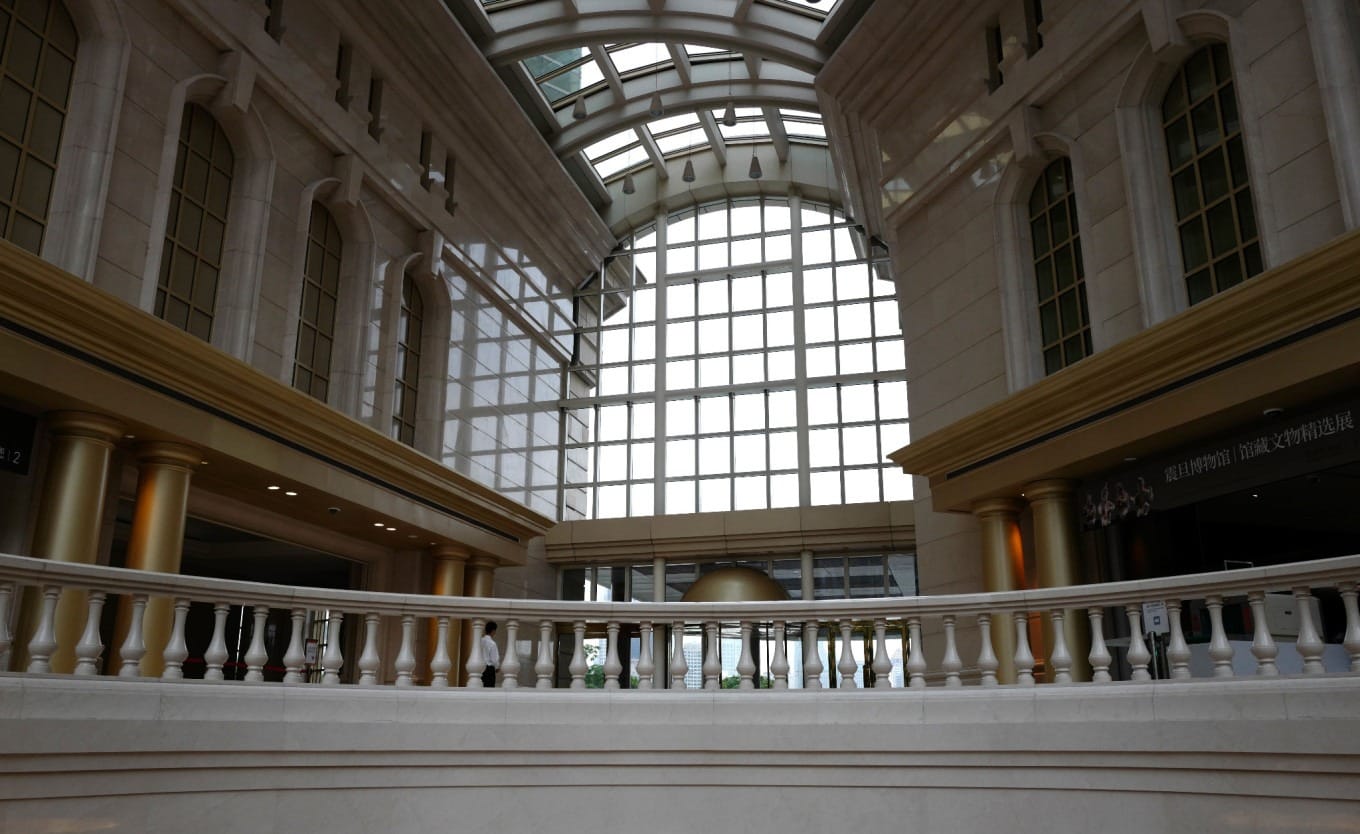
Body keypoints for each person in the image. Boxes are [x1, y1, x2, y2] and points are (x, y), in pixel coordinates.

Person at [480, 621, 500, 688]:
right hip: (489, 670)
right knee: (489, 689)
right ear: (493, 631)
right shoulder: (492, 643)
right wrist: (497, 667)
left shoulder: (480, 641)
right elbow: (494, 659)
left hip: (479, 668)